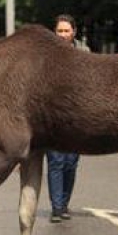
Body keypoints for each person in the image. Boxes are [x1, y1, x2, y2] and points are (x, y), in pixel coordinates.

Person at [47, 14, 90, 223]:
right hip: (53, 115)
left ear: (74, 32)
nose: (63, 34)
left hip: (77, 116)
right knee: (56, 161)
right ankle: (56, 208)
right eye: (59, 31)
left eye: (66, 31)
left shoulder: (84, 53)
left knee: (71, 162)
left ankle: (64, 204)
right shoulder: (46, 54)